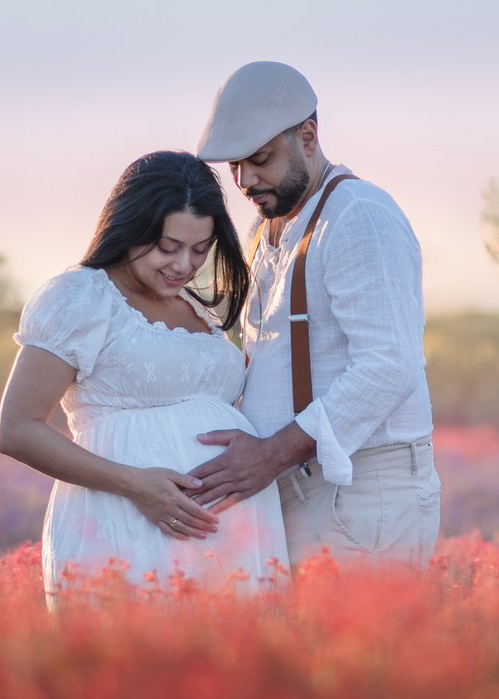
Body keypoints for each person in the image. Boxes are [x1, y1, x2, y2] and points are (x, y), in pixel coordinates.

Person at [0, 150, 289, 606]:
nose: (184, 265)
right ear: (129, 228)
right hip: (125, 520)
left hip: (232, 540)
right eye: (168, 247)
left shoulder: (197, 309)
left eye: (200, 249)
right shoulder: (81, 297)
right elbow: (17, 430)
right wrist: (138, 485)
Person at [189, 62, 441, 575]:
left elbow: (390, 364)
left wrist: (269, 455)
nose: (244, 180)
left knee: (353, 653)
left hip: (363, 490)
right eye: (234, 166)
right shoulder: (274, 225)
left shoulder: (357, 215)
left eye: (259, 159)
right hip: (299, 483)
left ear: (308, 136)